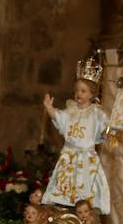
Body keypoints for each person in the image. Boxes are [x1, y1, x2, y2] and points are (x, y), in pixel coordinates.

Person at [42, 71, 111, 213]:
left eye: (83, 91)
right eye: (77, 90)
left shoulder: (97, 113)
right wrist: (49, 108)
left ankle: (84, 212)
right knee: (64, 189)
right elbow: (60, 118)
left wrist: (109, 130)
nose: (78, 94)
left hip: (86, 157)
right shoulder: (70, 110)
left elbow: (104, 129)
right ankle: (64, 212)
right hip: (69, 156)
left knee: (84, 189)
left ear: (92, 94)